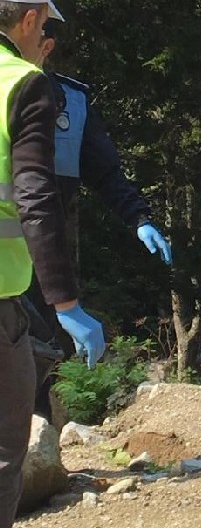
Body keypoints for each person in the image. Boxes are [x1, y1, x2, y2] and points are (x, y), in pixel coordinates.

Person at [0, 0, 106, 528]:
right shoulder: (27, 85)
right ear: (32, 18)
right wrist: (65, 302)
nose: (49, 43)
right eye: (47, 28)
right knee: (6, 442)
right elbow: (34, 197)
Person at [24, 24, 171, 419]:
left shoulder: (73, 101)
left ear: (46, 46)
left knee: (41, 354)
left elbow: (105, 172)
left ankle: (38, 454)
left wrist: (139, 217)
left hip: (43, 258)